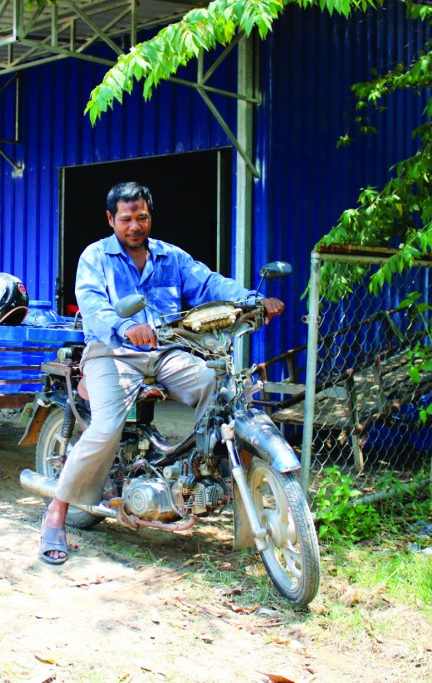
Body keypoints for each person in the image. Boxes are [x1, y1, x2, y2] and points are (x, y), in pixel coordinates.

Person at [39, 181, 284, 565]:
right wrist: (125, 327)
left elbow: (208, 283)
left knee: (217, 388)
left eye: (142, 217)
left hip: (164, 351)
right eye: (126, 219)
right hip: (111, 352)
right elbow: (92, 305)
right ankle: (56, 513)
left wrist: (253, 301)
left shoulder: (171, 257)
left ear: (150, 216)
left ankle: (203, 475)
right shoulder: (95, 257)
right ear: (111, 219)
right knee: (106, 426)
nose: (134, 225)